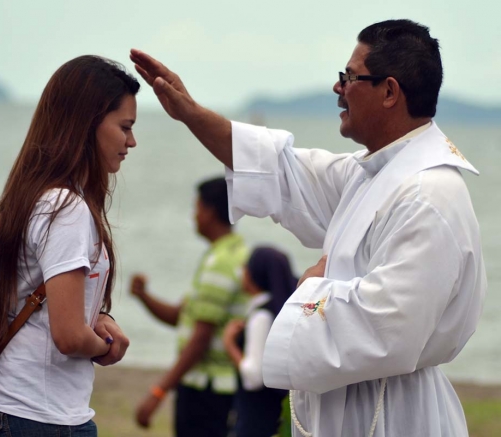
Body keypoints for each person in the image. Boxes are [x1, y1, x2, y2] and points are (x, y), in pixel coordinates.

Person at [130, 19, 486, 437]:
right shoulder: (371, 174)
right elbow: (279, 169)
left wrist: (308, 290)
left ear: (389, 92)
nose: (338, 88)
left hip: (395, 416)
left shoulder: (429, 193)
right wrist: (190, 115)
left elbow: (391, 329)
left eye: (349, 77)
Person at [0, 55, 137, 437]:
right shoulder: (65, 207)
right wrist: (107, 346)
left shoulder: (38, 196)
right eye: (125, 127)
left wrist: (99, 319)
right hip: (38, 417)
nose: (131, 141)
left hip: (19, 410)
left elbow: (45, 305)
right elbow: (67, 336)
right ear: (88, 124)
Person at [130, 177, 249, 437]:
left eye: (196, 208)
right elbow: (180, 317)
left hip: (208, 390)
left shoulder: (221, 263)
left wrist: (158, 392)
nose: (194, 216)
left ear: (210, 212)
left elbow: (201, 338)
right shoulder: (227, 254)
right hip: (212, 389)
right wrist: (144, 296)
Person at [223, 247, 297, 437]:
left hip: (256, 421)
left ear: (255, 274)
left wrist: (230, 344)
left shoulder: (262, 316)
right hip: (273, 417)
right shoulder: (280, 310)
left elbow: (254, 378)